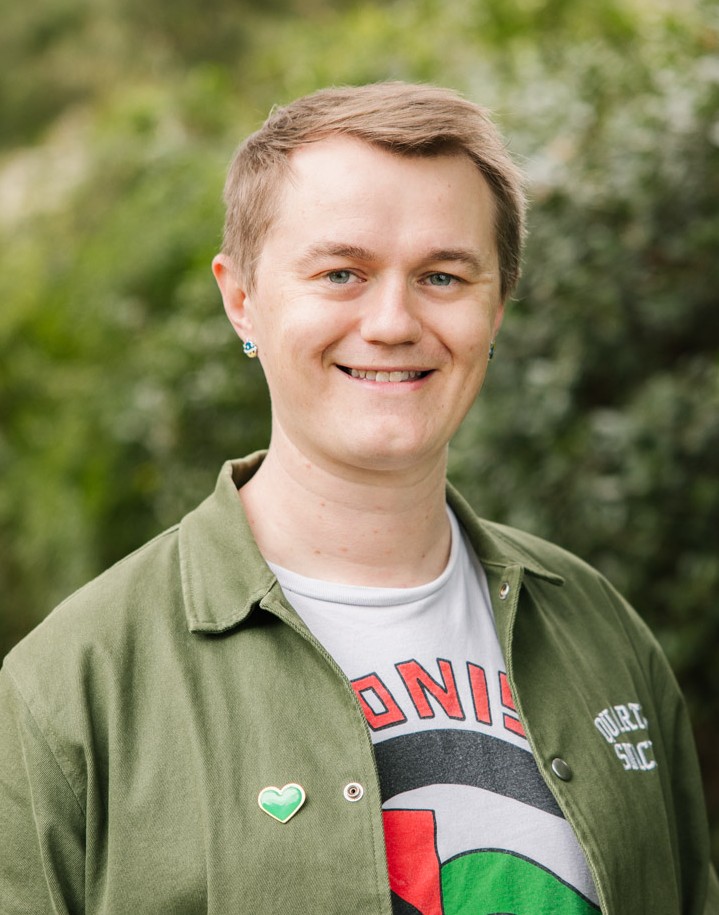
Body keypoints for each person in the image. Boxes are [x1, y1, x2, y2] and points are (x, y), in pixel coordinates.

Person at [0, 82, 716, 915]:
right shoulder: (72, 688)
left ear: (497, 306)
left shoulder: (599, 628)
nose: (391, 321)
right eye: (341, 272)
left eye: (443, 276)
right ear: (242, 298)